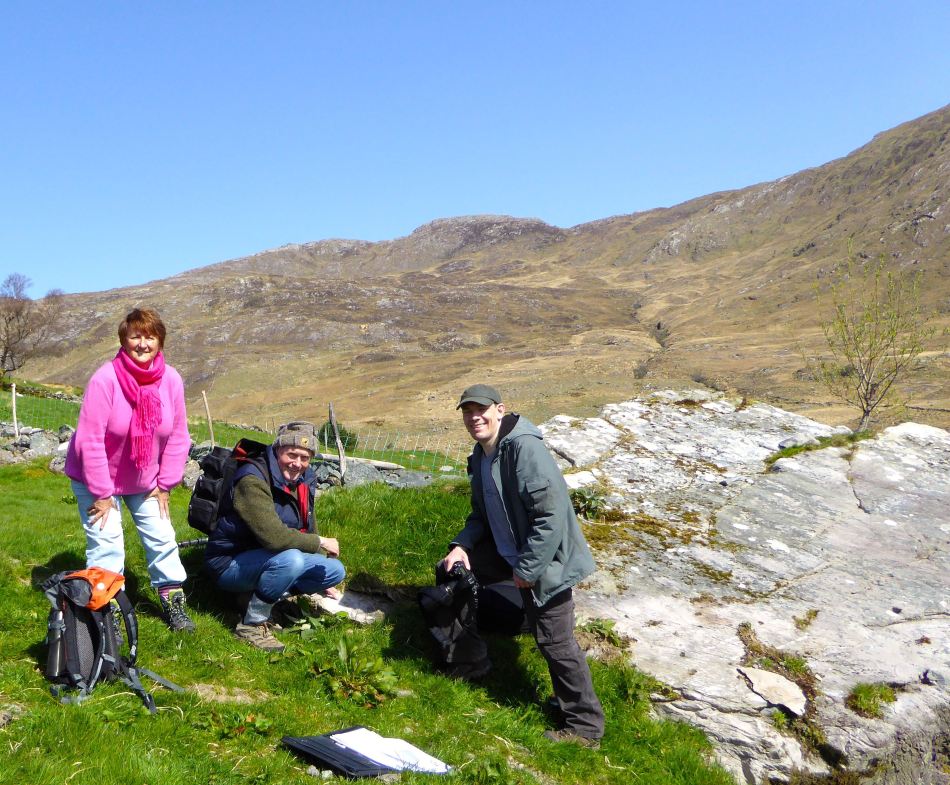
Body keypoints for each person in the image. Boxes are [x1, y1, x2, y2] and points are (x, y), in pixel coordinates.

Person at [440, 384, 605, 748]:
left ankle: (585, 726)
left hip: (544, 559)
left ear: (501, 409)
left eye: (481, 409)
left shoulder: (524, 448)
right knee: (451, 574)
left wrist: (528, 569)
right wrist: (462, 545)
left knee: (555, 642)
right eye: (467, 411)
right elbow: (481, 514)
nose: (474, 417)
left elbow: (551, 515)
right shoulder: (482, 454)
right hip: (504, 550)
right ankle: (471, 661)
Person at [65, 307, 195, 632]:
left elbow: (179, 435)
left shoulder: (172, 380)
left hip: (144, 477)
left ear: (160, 341)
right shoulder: (105, 379)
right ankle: (107, 614)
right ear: (124, 339)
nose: (142, 343)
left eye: (149, 336)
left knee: (162, 536)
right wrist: (102, 495)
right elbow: (90, 440)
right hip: (96, 477)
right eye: (135, 335)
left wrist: (165, 484)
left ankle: (172, 600)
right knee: (107, 543)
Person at [204, 421, 346, 652]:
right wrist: (320, 542)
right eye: (292, 454)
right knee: (292, 560)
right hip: (229, 563)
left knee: (334, 571)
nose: (298, 463)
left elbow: (307, 526)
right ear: (278, 449)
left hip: (268, 558)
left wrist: (318, 554)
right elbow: (274, 538)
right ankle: (252, 623)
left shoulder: (303, 479)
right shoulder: (253, 479)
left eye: (305, 457)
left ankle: (258, 597)